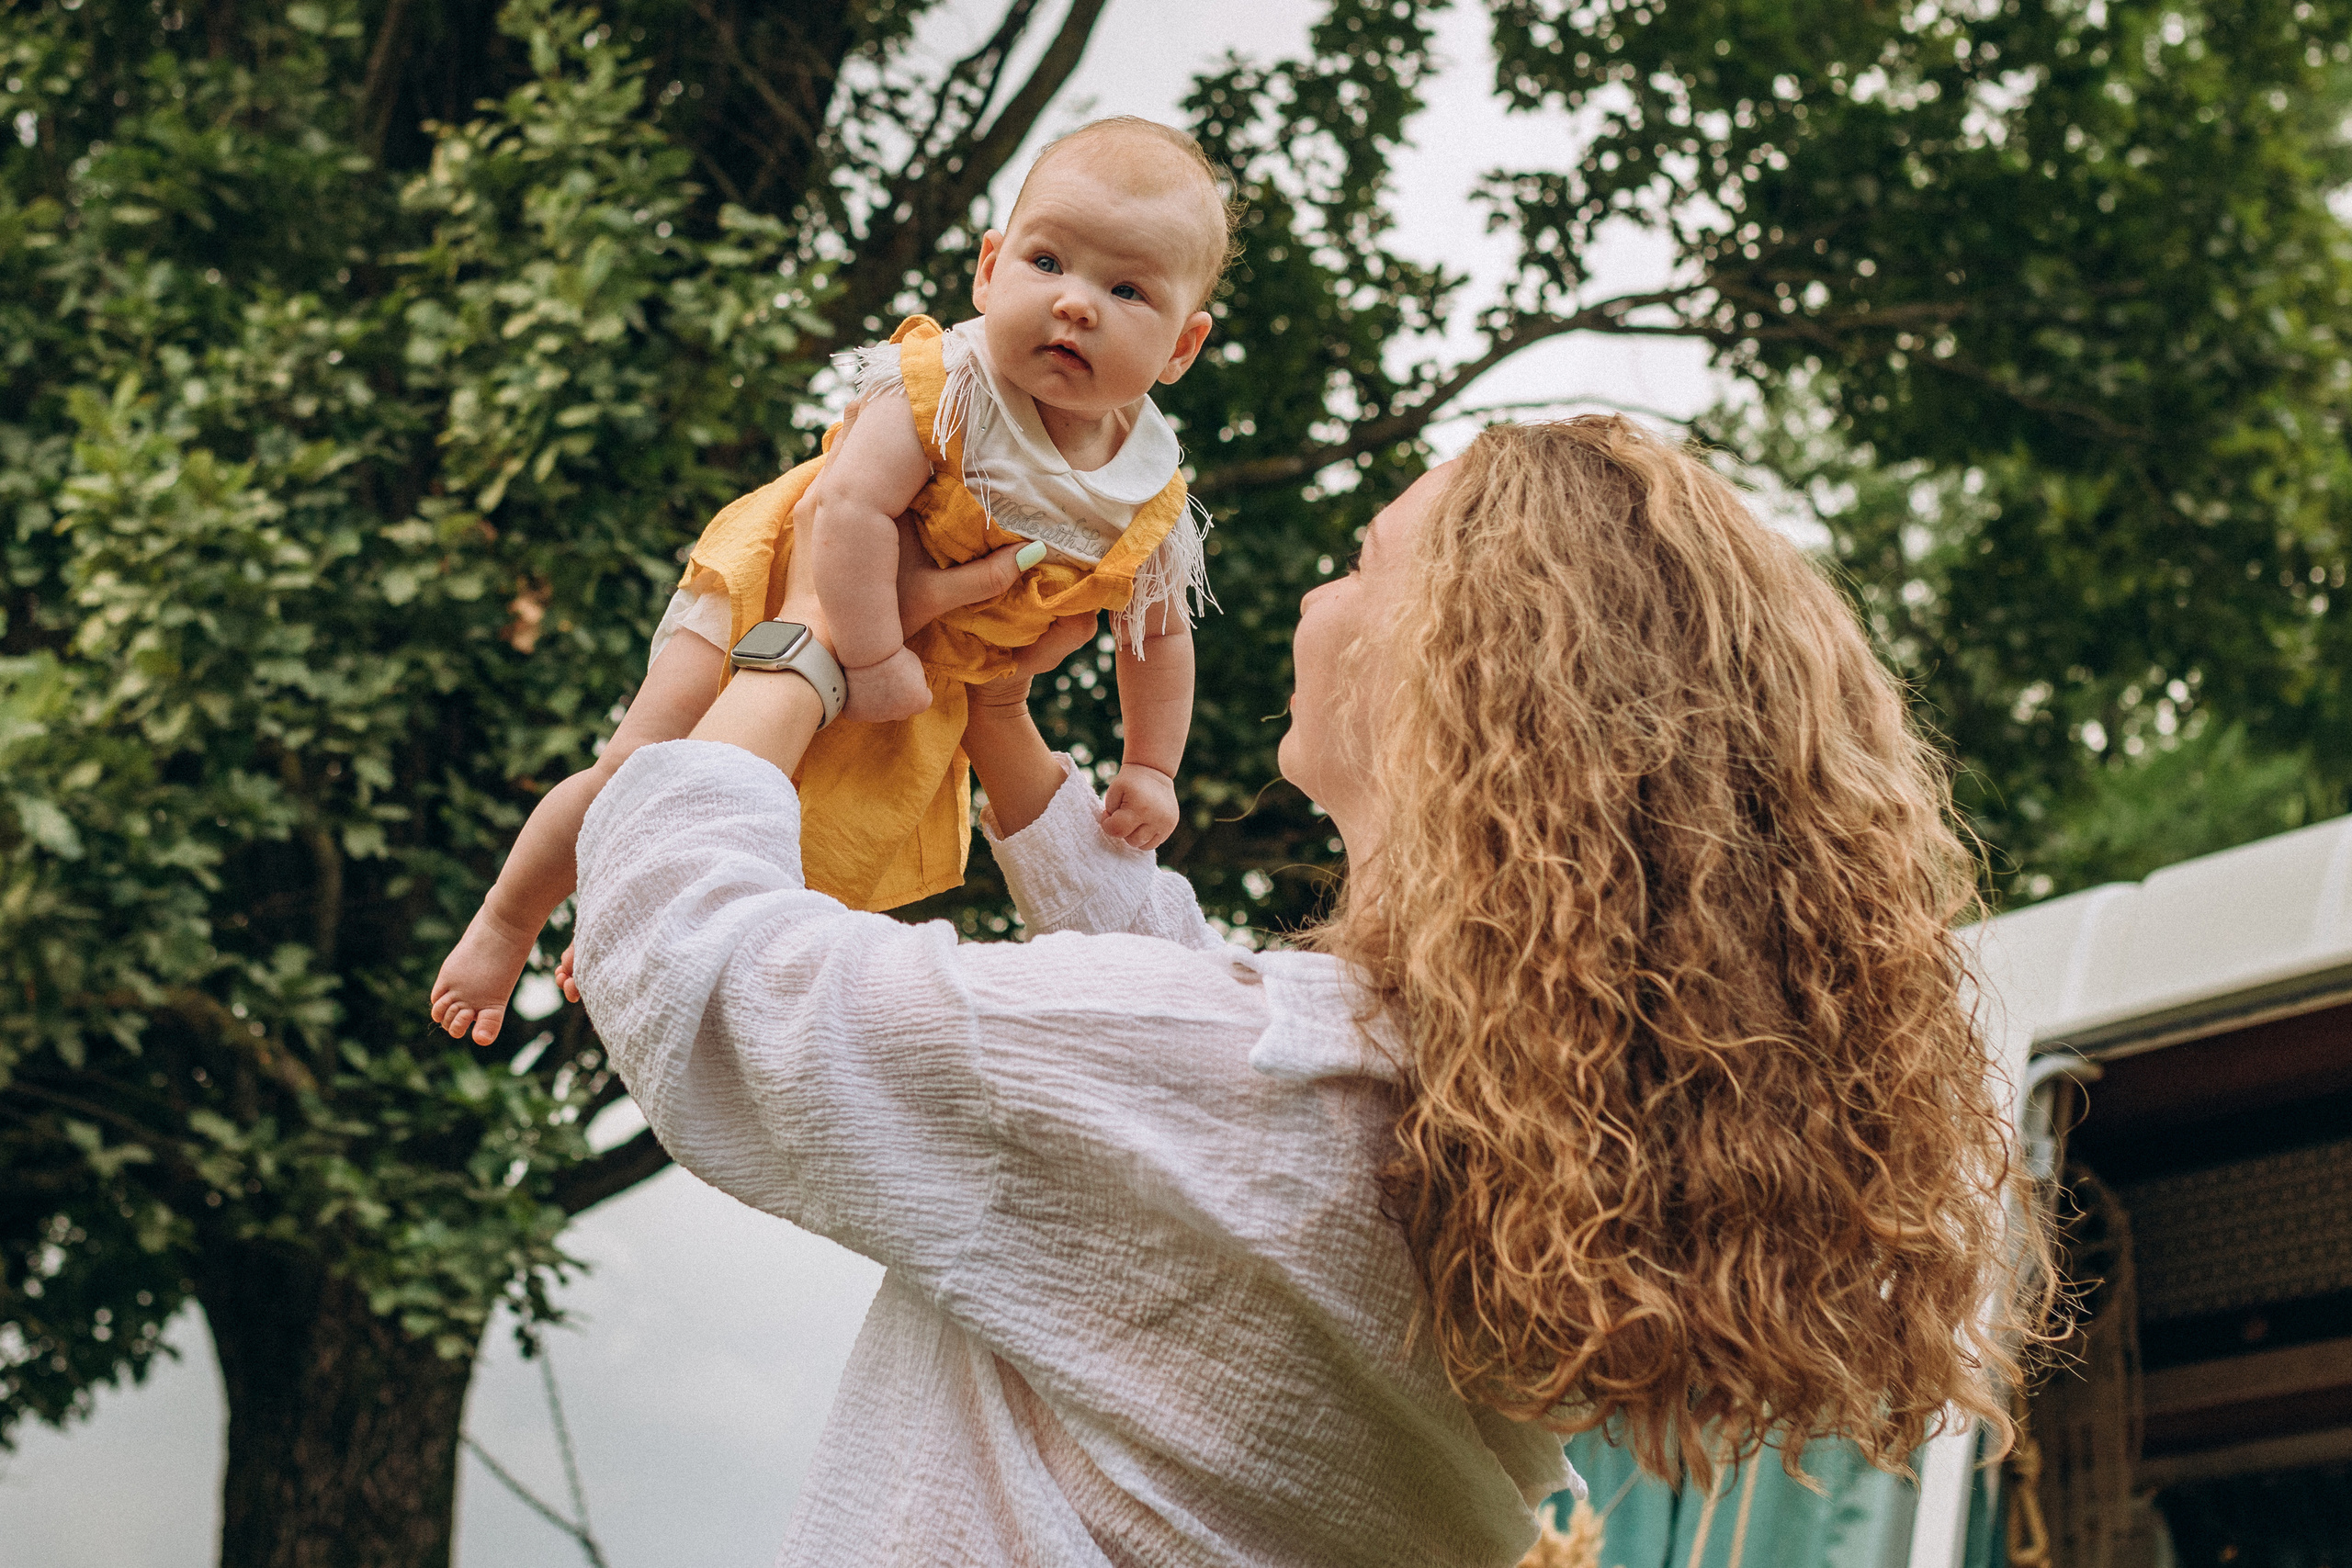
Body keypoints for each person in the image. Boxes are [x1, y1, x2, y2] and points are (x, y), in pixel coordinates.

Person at [565, 419, 2039, 1566]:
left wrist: (811, 638)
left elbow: (702, 969)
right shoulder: (1500, 1143)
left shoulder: (1248, 1084)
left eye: (1364, 559)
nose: (1321, 594)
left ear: (1456, 668)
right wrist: (999, 717)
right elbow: (1185, 1023)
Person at [429, 117, 1228, 1044]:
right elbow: (845, 510)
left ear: (1181, 348)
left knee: (800, 827)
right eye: (1047, 262)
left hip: (926, 677)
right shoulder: (948, 386)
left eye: (1126, 290)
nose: (1075, 304)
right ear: (988, 270)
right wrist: (875, 652)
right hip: (781, 591)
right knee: (642, 763)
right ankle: (507, 922)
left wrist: (1149, 766)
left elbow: (1158, 636)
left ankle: (627, 906)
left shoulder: (1142, 495)